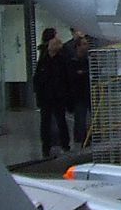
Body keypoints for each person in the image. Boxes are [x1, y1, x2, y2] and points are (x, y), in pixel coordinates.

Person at [33, 28, 69, 158]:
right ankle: (46, 146)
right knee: (46, 122)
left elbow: (65, 77)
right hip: (47, 97)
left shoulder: (61, 59)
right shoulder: (43, 60)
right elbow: (38, 79)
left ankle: (64, 144)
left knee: (60, 120)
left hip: (58, 95)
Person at [61, 28, 93, 149]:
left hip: (86, 93)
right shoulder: (71, 59)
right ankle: (80, 139)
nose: (87, 46)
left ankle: (86, 138)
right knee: (80, 117)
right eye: (84, 44)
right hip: (78, 94)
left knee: (86, 117)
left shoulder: (88, 60)